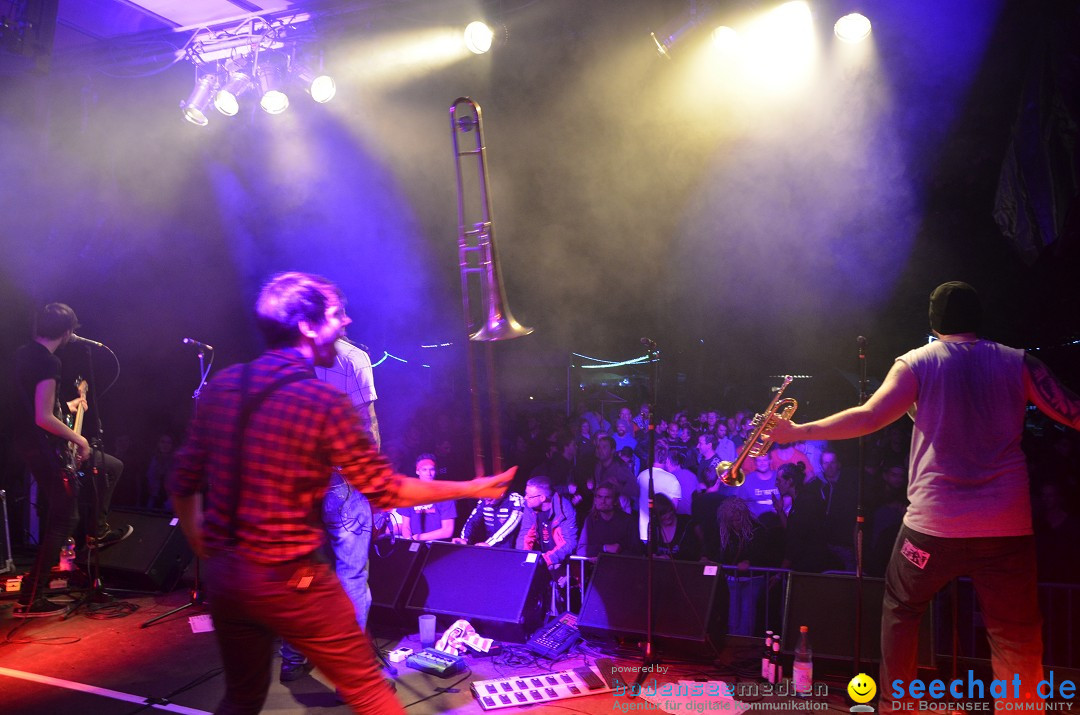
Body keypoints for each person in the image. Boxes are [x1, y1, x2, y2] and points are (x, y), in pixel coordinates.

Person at [167, 272, 514, 715]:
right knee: (370, 692)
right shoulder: (319, 401)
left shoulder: (224, 386)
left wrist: (203, 544)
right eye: (336, 314)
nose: (346, 322)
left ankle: (294, 660)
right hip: (294, 579)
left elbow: (183, 479)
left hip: (229, 582)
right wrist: (471, 487)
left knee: (241, 699)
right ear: (307, 327)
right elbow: (385, 488)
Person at [770, 281, 1080, 708]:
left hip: (934, 526)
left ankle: (900, 707)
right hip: (1006, 526)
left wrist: (798, 432)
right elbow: (1072, 411)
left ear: (934, 322)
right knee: (1015, 632)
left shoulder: (918, 362)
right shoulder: (1019, 363)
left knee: (901, 612)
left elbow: (869, 417)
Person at [11, 303, 131, 617]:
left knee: (110, 467)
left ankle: (97, 531)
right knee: (63, 517)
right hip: (42, 444)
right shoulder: (49, 363)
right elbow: (42, 416)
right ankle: (33, 594)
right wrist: (78, 438)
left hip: (28, 443)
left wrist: (71, 404)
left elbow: (38, 407)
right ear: (67, 332)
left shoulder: (23, 354)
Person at [279, 336, 382, 682]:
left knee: (305, 572)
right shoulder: (354, 357)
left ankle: (292, 657)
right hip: (342, 481)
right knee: (350, 575)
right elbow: (366, 422)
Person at [517, 476, 578, 574]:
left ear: (542, 498)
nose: (525, 498)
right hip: (539, 558)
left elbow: (569, 542)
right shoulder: (530, 507)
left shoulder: (564, 509)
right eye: (525, 494)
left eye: (529, 496)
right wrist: (523, 559)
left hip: (560, 561)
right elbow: (525, 534)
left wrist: (546, 559)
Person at [396, 454, 457, 541]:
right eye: (424, 470)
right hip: (414, 543)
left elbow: (447, 530)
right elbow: (406, 526)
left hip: (437, 546)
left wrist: (418, 538)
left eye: (431, 470)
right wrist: (410, 541)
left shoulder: (445, 495)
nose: (428, 473)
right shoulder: (408, 494)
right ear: (417, 471)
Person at [574, 482, 641, 558]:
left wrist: (618, 552)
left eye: (607, 497)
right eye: (599, 497)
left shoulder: (628, 521)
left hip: (621, 567)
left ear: (615, 500)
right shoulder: (590, 520)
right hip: (596, 568)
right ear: (595, 500)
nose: (603, 501)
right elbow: (581, 550)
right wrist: (604, 548)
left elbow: (636, 552)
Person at [455, 491, 525, 547]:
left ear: (501, 493)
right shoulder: (484, 499)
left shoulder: (515, 500)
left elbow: (511, 524)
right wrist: (464, 538)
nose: (486, 503)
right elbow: (472, 520)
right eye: (485, 499)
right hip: (490, 544)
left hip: (511, 547)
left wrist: (490, 543)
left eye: (490, 499)